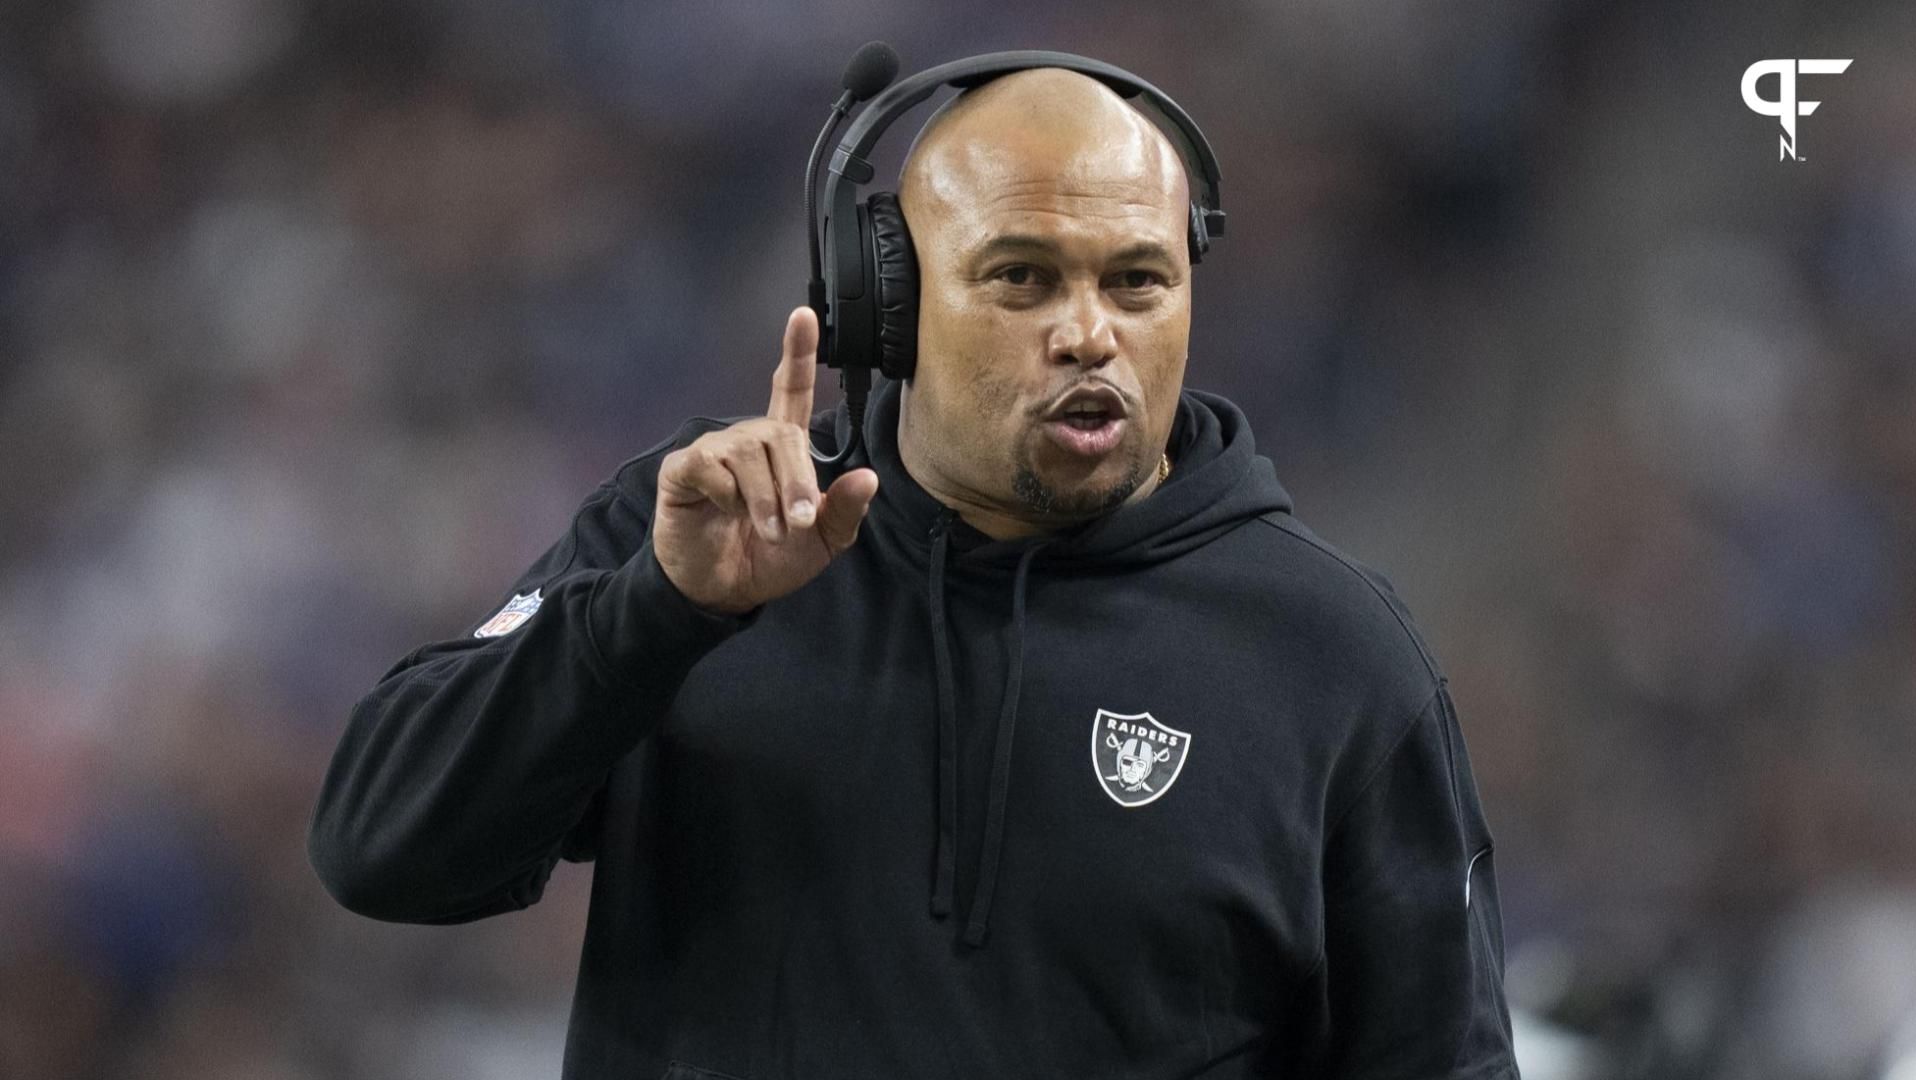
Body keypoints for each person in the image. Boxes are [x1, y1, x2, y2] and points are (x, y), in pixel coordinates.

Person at [308, 65, 1520, 1079]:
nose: (1090, 331)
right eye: (1023, 277)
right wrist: (652, 616)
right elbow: (380, 851)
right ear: (886, 301)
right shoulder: (695, 538)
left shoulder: (1335, 658)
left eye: (1136, 280)